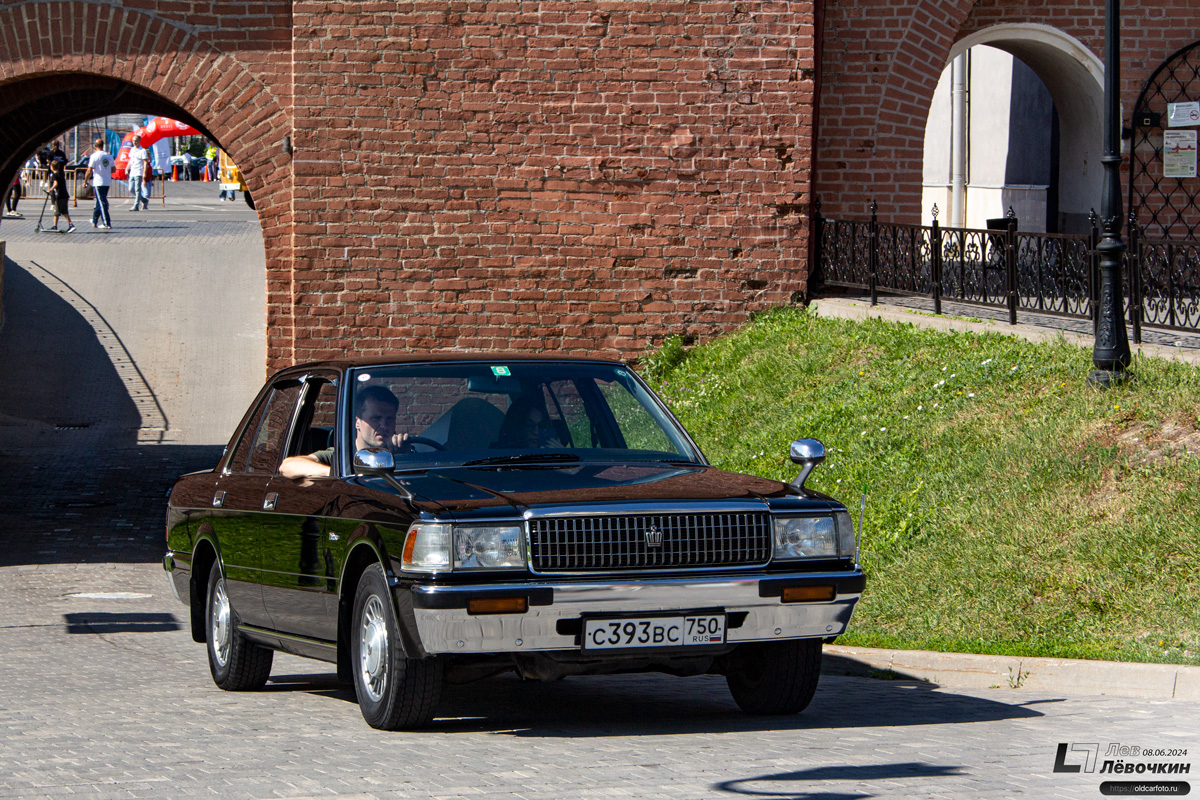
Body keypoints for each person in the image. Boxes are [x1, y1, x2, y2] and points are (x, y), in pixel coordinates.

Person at [280, 385, 410, 479]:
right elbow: (288, 466)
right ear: (357, 422)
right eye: (376, 418)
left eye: (390, 419)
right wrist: (336, 473)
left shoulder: (402, 453)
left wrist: (405, 457)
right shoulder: (342, 456)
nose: (384, 425)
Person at [494, 394, 563, 448]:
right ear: (516, 428)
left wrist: (559, 455)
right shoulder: (498, 456)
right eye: (529, 425)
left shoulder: (551, 454)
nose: (536, 432)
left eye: (541, 425)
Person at [82, 138, 113, 229]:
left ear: (95, 146)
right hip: (106, 181)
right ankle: (94, 220)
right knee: (99, 202)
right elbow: (113, 169)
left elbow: (89, 170)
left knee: (102, 202)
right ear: (102, 145)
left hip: (98, 182)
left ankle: (106, 222)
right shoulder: (108, 156)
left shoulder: (94, 156)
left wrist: (85, 181)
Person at [46, 160, 74, 233]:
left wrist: (50, 189)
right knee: (64, 211)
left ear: (51, 167)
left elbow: (56, 184)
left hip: (60, 196)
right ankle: (71, 225)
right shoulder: (61, 174)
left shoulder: (54, 175)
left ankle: (55, 226)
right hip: (65, 195)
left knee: (56, 212)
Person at [126, 135, 151, 211]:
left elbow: (145, 162)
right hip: (132, 172)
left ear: (139, 141)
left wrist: (144, 174)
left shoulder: (142, 151)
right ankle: (144, 200)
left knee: (137, 189)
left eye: (136, 140)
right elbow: (130, 160)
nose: (134, 142)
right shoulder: (132, 150)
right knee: (131, 189)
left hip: (138, 172)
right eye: (133, 141)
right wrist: (127, 168)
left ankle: (136, 205)